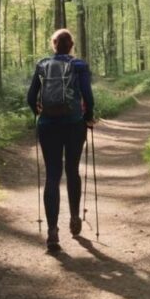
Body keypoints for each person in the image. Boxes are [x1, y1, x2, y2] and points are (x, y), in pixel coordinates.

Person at [27, 28, 95, 250]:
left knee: (52, 176)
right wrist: (88, 116)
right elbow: (87, 96)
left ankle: (52, 233)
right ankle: (75, 217)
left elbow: (30, 97)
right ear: (71, 45)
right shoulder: (79, 66)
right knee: (72, 170)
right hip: (74, 124)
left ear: (54, 45)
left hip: (48, 125)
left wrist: (38, 112)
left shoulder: (42, 65)